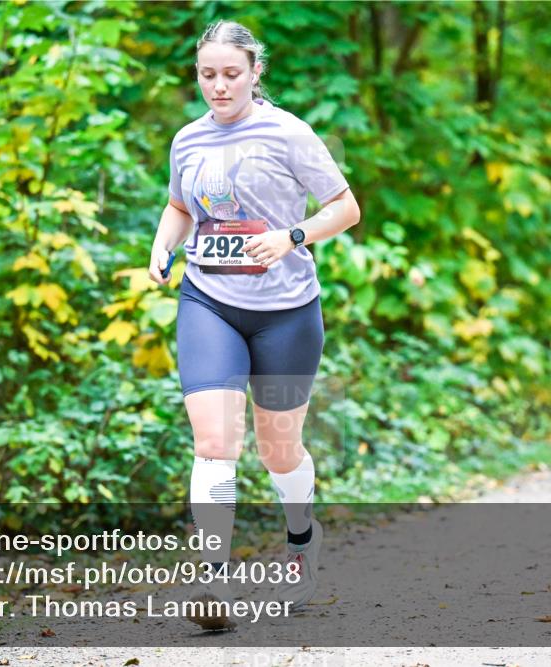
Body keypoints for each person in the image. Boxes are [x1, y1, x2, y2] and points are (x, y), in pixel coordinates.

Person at [148, 19, 360, 629]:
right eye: (207, 74)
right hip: (209, 302)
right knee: (215, 442)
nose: (218, 86)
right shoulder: (187, 140)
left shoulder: (288, 132)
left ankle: (301, 541)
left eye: (231, 74)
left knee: (278, 450)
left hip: (287, 312)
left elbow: (345, 207)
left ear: (255, 73)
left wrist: (290, 236)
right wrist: (162, 247)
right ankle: (213, 583)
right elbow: (179, 206)